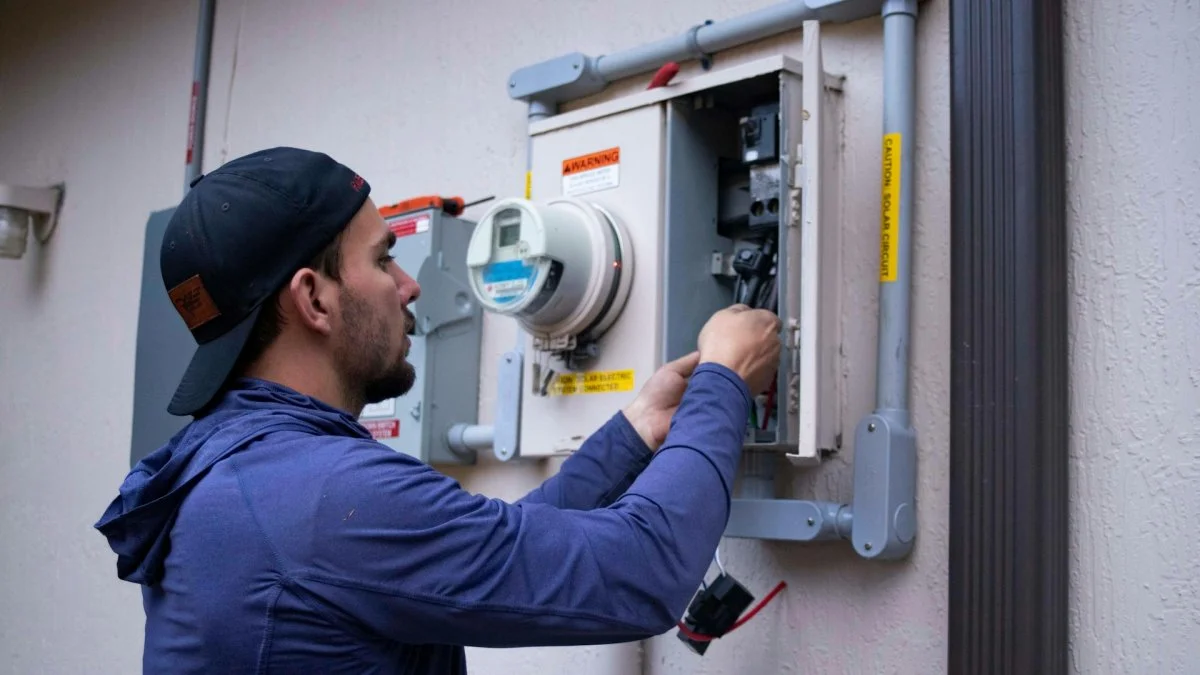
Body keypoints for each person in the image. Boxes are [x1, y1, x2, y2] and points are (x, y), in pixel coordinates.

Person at [95, 147, 781, 674]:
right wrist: (724, 378)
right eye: (384, 258)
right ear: (314, 299)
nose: (410, 282)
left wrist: (637, 431)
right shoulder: (321, 495)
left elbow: (492, 545)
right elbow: (641, 574)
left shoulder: (243, 470)